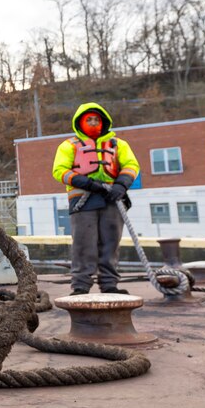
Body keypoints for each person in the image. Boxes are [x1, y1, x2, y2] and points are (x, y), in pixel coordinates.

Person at [52, 102, 140, 295]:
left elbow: (131, 165)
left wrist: (121, 184)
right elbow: (59, 171)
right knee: (84, 243)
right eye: (88, 119)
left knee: (111, 242)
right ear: (80, 122)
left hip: (112, 198)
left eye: (96, 119)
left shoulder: (119, 145)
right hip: (83, 199)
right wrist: (88, 183)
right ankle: (81, 286)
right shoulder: (68, 146)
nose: (93, 122)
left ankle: (109, 284)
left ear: (103, 122)